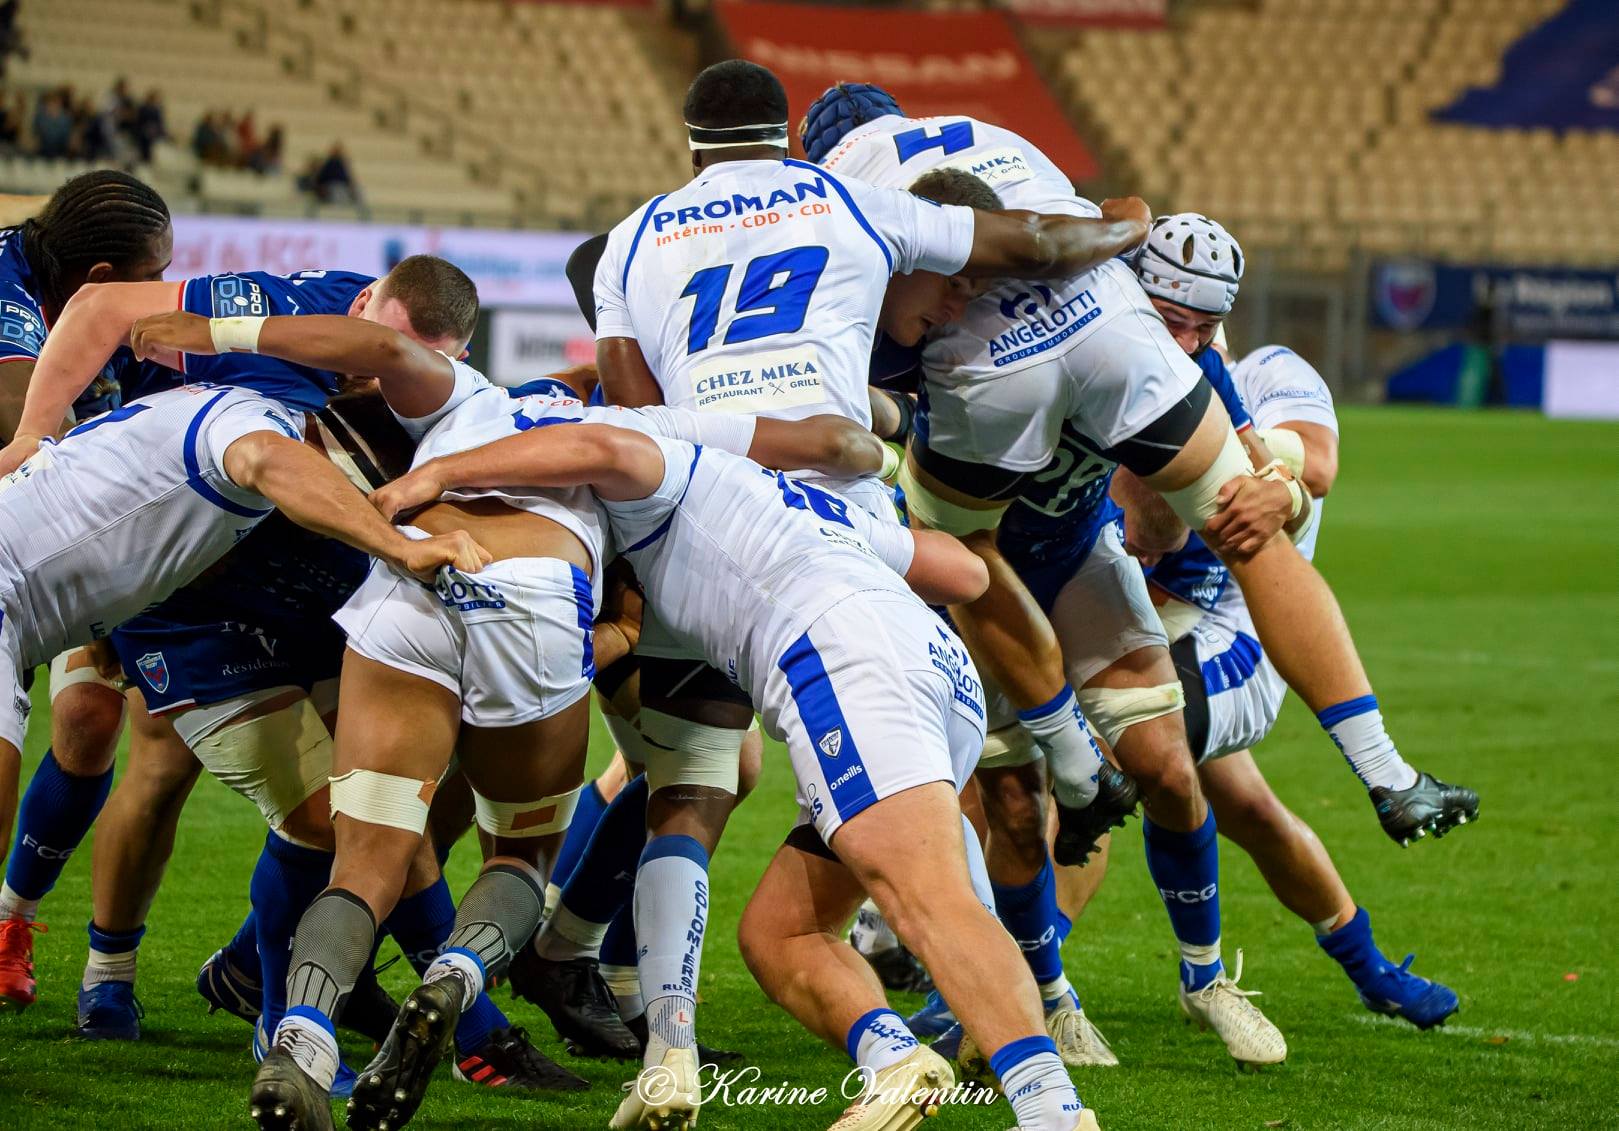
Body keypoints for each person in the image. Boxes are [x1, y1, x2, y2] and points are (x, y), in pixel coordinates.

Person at [120, 305, 897, 1131]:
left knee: (365, 860)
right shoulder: (640, 421)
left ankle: (303, 1036)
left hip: (408, 593)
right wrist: (881, 433)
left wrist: (214, 331)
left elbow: (382, 347)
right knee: (522, 852)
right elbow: (831, 445)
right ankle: (454, 975)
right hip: (533, 598)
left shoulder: (468, 396)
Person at [536, 56, 1148, 1096]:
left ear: (689, 141)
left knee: (691, 777)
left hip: (696, 526)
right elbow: (1032, 244)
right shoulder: (849, 201)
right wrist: (1123, 226)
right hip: (832, 537)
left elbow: (633, 405)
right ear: (786, 137)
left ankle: (648, 1027)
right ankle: (1034, 1067)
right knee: (899, 811)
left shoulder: (634, 236)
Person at [362, 399, 1101, 1131]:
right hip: (938, 672)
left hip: (844, 657)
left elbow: (610, 452)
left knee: (927, 898)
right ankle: (893, 1060)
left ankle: (1053, 1114)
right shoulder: (791, 500)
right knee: (783, 933)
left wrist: (431, 477)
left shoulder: (662, 466)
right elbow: (964, 572)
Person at [806, 88, 1294, 1067]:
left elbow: (1233, 443)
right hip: (969, 576)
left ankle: (1204, 979)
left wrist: (1274, 477)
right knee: (1017, 807)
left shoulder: (1063, 288)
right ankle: (1048, 994)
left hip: (1068, 546)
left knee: (1160, 761)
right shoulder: (876, 286)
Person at [0, 255, 489, 1012]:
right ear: (360, 307)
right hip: (133, 564)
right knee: (107, 731)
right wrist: (34, 432)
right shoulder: (264, 367)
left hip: (211, 563)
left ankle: (283, 972)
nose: (381, 380)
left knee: (383, 780)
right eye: (379, 355)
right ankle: (68, 949)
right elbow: (104, 309)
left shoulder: (390, 371)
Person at [1121, 339, 1461, 1030]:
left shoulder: (1269, 371)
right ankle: (1370, 969)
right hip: (1145, 631)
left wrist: (1269, 472)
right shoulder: (1113, 374)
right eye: (1165, 319)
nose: (1180, 337)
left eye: (1196, 323)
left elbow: (1319, 459)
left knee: (1106, 762)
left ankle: (1029, 987)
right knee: (1252, 813)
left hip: (1235, 639)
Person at [0, 171, 175, 1012]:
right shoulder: (9, 286)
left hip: (59, 535)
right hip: (19, 523)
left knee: (89, 715)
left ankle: (13, 921)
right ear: (101, 279)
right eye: (155, 270)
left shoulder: (111, 314)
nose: (163, 285)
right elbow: (20, 423)